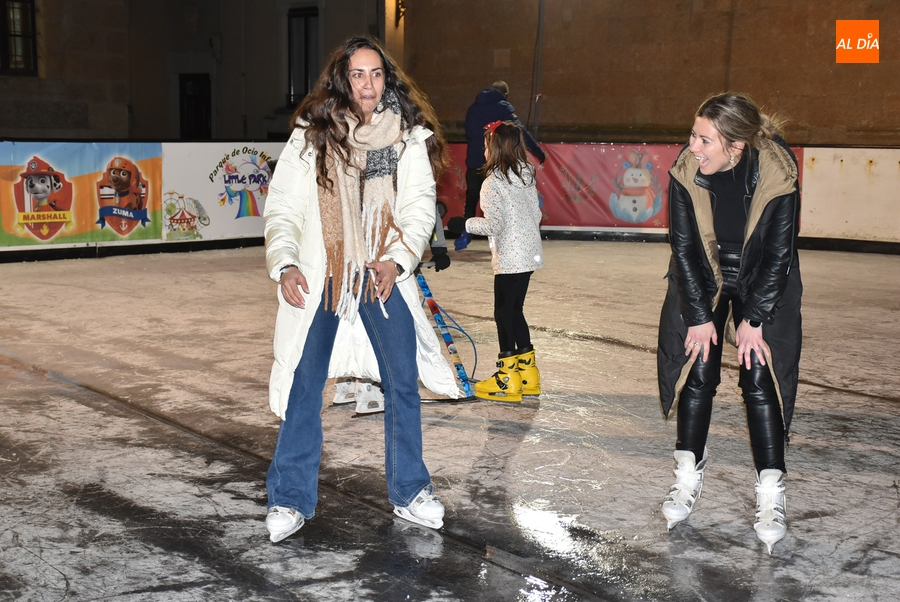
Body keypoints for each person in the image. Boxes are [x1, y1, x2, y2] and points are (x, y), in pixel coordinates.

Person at [262, 36, 460, 543]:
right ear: (342, 80)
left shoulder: (408, 138)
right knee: (306, 386)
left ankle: (411, 492)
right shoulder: (313, 136)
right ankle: (289, 498)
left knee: (402, 384)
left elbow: (418, 210)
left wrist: (398, 259)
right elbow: (283, 207)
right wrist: (285, 264)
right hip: (324, 274)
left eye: (375, 74)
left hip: (382, 273)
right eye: (357, 75)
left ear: (386, 80)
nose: (367, 84)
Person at [656, 92, 802, 554]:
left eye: (704, 139)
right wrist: (699, 317)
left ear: (736, 145)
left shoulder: (778, 174)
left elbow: (779, 255)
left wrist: (754, 320)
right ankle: (686, 475)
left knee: (761, 377)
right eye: (693, 135)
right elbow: (683, 249)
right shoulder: (685, 172)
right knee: (696, 369)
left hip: (764, 278)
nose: (692, 146)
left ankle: (771, 492)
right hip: (705, 274)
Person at [466, 120, 544, 403]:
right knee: (515, 310)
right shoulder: (526, 174)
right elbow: (536, 215)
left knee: (503, 313)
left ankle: (507, 379)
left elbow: (494, 224)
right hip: (529, 253)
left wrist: (466, 224)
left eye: (486, 145)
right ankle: (528, 375)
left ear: (495, 148)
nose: (484, 150)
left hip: (511, 256)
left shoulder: (492, 183)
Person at [455, 81, 545, 250]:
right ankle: (508, 236)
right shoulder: (503, 107)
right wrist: (538, 152)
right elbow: (519, 131)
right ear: (505, 94)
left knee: (472, 198)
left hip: (475, 161)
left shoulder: (473, 108)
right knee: (504, 199)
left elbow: (469, 132)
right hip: (498, 163)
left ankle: (465, 234)